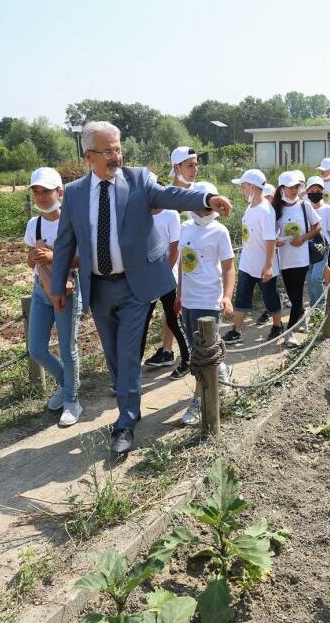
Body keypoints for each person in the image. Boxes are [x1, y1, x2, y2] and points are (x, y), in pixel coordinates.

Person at [50, 121, 232, 456]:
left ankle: (126, 422)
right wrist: (59, 281)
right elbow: (64, 243)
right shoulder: (75, 193)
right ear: (89, 155)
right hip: (99, 289)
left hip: (134, 288)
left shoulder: (139, 179)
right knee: (115, 359)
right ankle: (125, 402)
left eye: (119, 148)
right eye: (109, 151)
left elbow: (171, 194)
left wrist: (206, 198)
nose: (117, 156)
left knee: (129, 356)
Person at [24, 167, 82, 427]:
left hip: (67, 288)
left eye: (46, 191)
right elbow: (29, 263)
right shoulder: (33, 224)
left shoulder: (73, 221)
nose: (41, 197)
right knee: (36, 349)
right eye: (36, 192)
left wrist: (54, 256)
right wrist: (34, 257)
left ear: (60, 192)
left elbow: (86, 260)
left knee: (68, 348)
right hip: (41, 289)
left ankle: (72, 399)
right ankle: (65, 382)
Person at [175, 181, 235, 425]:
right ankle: (222, 371)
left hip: (209, 300)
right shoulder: (185, 227)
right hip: (188, 299)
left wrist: (227, 296)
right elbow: (181, 264)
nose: (204, 209)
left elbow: (229, 267)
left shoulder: (220, 231)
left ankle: (199, 402)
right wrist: (179, 294)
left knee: (200, 354)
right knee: (195, 349)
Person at [140, 147, 193, 379]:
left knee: (174, 317)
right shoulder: (140, 214)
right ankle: (135, 368)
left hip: (168, 275)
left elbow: (175, 248)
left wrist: (164, 273)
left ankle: (187, 357)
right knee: (141, 320)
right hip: (147, 276)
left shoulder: (170, 212)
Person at [223, 169, 283, 344]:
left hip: (263, 265)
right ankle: (236, 330)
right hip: (247, 262)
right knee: (241, 297)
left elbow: (270, 239)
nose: (242, 190)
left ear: (252, 186)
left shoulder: (266, 210)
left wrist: (269, 265)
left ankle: (278, 325)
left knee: (270, 297)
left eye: (243, 186)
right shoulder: (251, 206)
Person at [274, 171, 321, 347]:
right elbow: (273, 231)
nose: (294, 190)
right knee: (293, 295)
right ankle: (302, 314)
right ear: (282, 188)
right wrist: (277, 240)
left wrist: (303, 238)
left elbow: (317, 226)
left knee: (296, 297)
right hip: (285, 258)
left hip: (301, 258)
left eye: (296, 187)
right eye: (290, 187)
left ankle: (289, 332)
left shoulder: (304, 205)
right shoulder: (276, 208)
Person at [305, 176, 330, 308]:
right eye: (312, 190)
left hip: (323, 247)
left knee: (316, 277)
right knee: (309, 277)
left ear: (323, 191)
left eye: (318, 190)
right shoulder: (305, 207)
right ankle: (314, 303)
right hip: (308, 247)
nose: (315, 193)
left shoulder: (327, 209)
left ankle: (321, 303)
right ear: (307, 191)